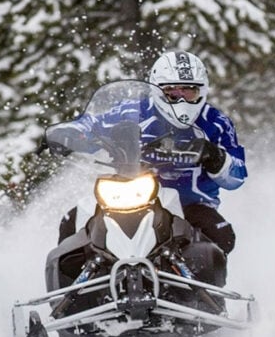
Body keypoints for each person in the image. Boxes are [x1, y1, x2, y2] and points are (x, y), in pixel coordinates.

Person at [55, 50, 247, 254]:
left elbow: (237, 176)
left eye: (189, 91)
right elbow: (92, 123)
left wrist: (216, 157)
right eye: (172, 92)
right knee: (72, 221)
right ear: (157, 90)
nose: (181, 99)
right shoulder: (132, 111)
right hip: (129, 196)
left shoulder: (216, 123)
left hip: (190, 205)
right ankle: (72, 273)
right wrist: (68, 134)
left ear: (202, 90)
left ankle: (202, 274)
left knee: (221, 236)